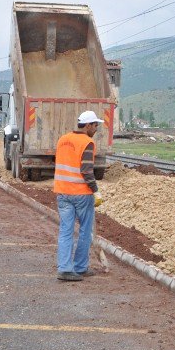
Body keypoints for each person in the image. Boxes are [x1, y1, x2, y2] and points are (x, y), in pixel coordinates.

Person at [54, 110, 102, 281]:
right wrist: (96, 190)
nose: (96, 129)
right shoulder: (87, 142)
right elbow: (86, 170)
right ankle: (80, 267)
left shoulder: (63, 139)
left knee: (65, 231)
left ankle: (64, 268)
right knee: (85, 231)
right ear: (88, 125)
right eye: (95, 125)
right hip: (81, 193)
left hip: (62, 192)